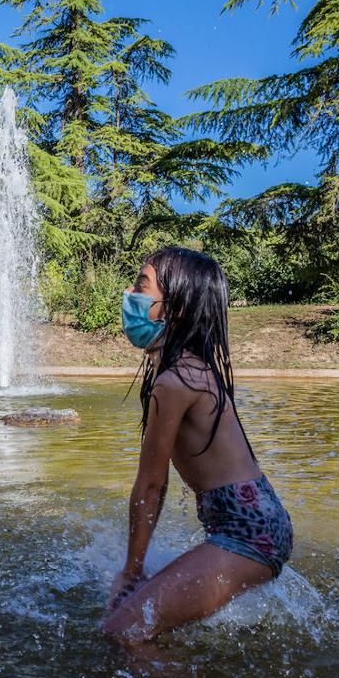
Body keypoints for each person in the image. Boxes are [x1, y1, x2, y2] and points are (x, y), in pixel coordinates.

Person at [102, 247, 293, 647]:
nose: (129, 293)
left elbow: (151, 486)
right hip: (258, 520)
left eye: (141, 286)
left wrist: (132, 570)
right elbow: (161, 484)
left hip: (247, 531)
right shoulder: (188, 369)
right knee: (134, 620)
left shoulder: (176, 381)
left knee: (124, 632)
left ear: (178, 308)